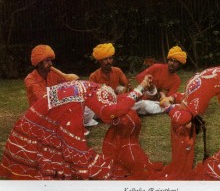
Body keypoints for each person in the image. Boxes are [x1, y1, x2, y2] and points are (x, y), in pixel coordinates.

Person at [0, 75, 161, 180]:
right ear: (107, 97)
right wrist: (139, 88)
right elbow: (110, 112)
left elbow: (117, 103)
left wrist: (140, 88)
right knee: (80, 161)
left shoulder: (92, 89)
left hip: (37, 117)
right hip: (48, 116)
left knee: (50, 150)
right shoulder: (99, 93)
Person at [24, 45, 96, 134]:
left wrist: (74, 84)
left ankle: (73, 125)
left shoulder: (54, 73)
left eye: (51, 60)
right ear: (38, 63)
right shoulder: (30, 79)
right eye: (47, 61)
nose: (50, 64)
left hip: (56, 106)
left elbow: (69, 85)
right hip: (41, 111)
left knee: (86, 104)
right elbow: (43, 98)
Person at [132, 46, 187, 115]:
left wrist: (160, 94)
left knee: (146, 106)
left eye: (175, 62)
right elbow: (139, 77)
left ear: (179, 65)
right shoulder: (156, 67)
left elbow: (169, 99)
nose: (172, 63)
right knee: (138, 103)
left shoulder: (177, 80)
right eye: (171, 60)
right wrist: (148, 87)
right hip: (143, 96)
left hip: (156, 103)